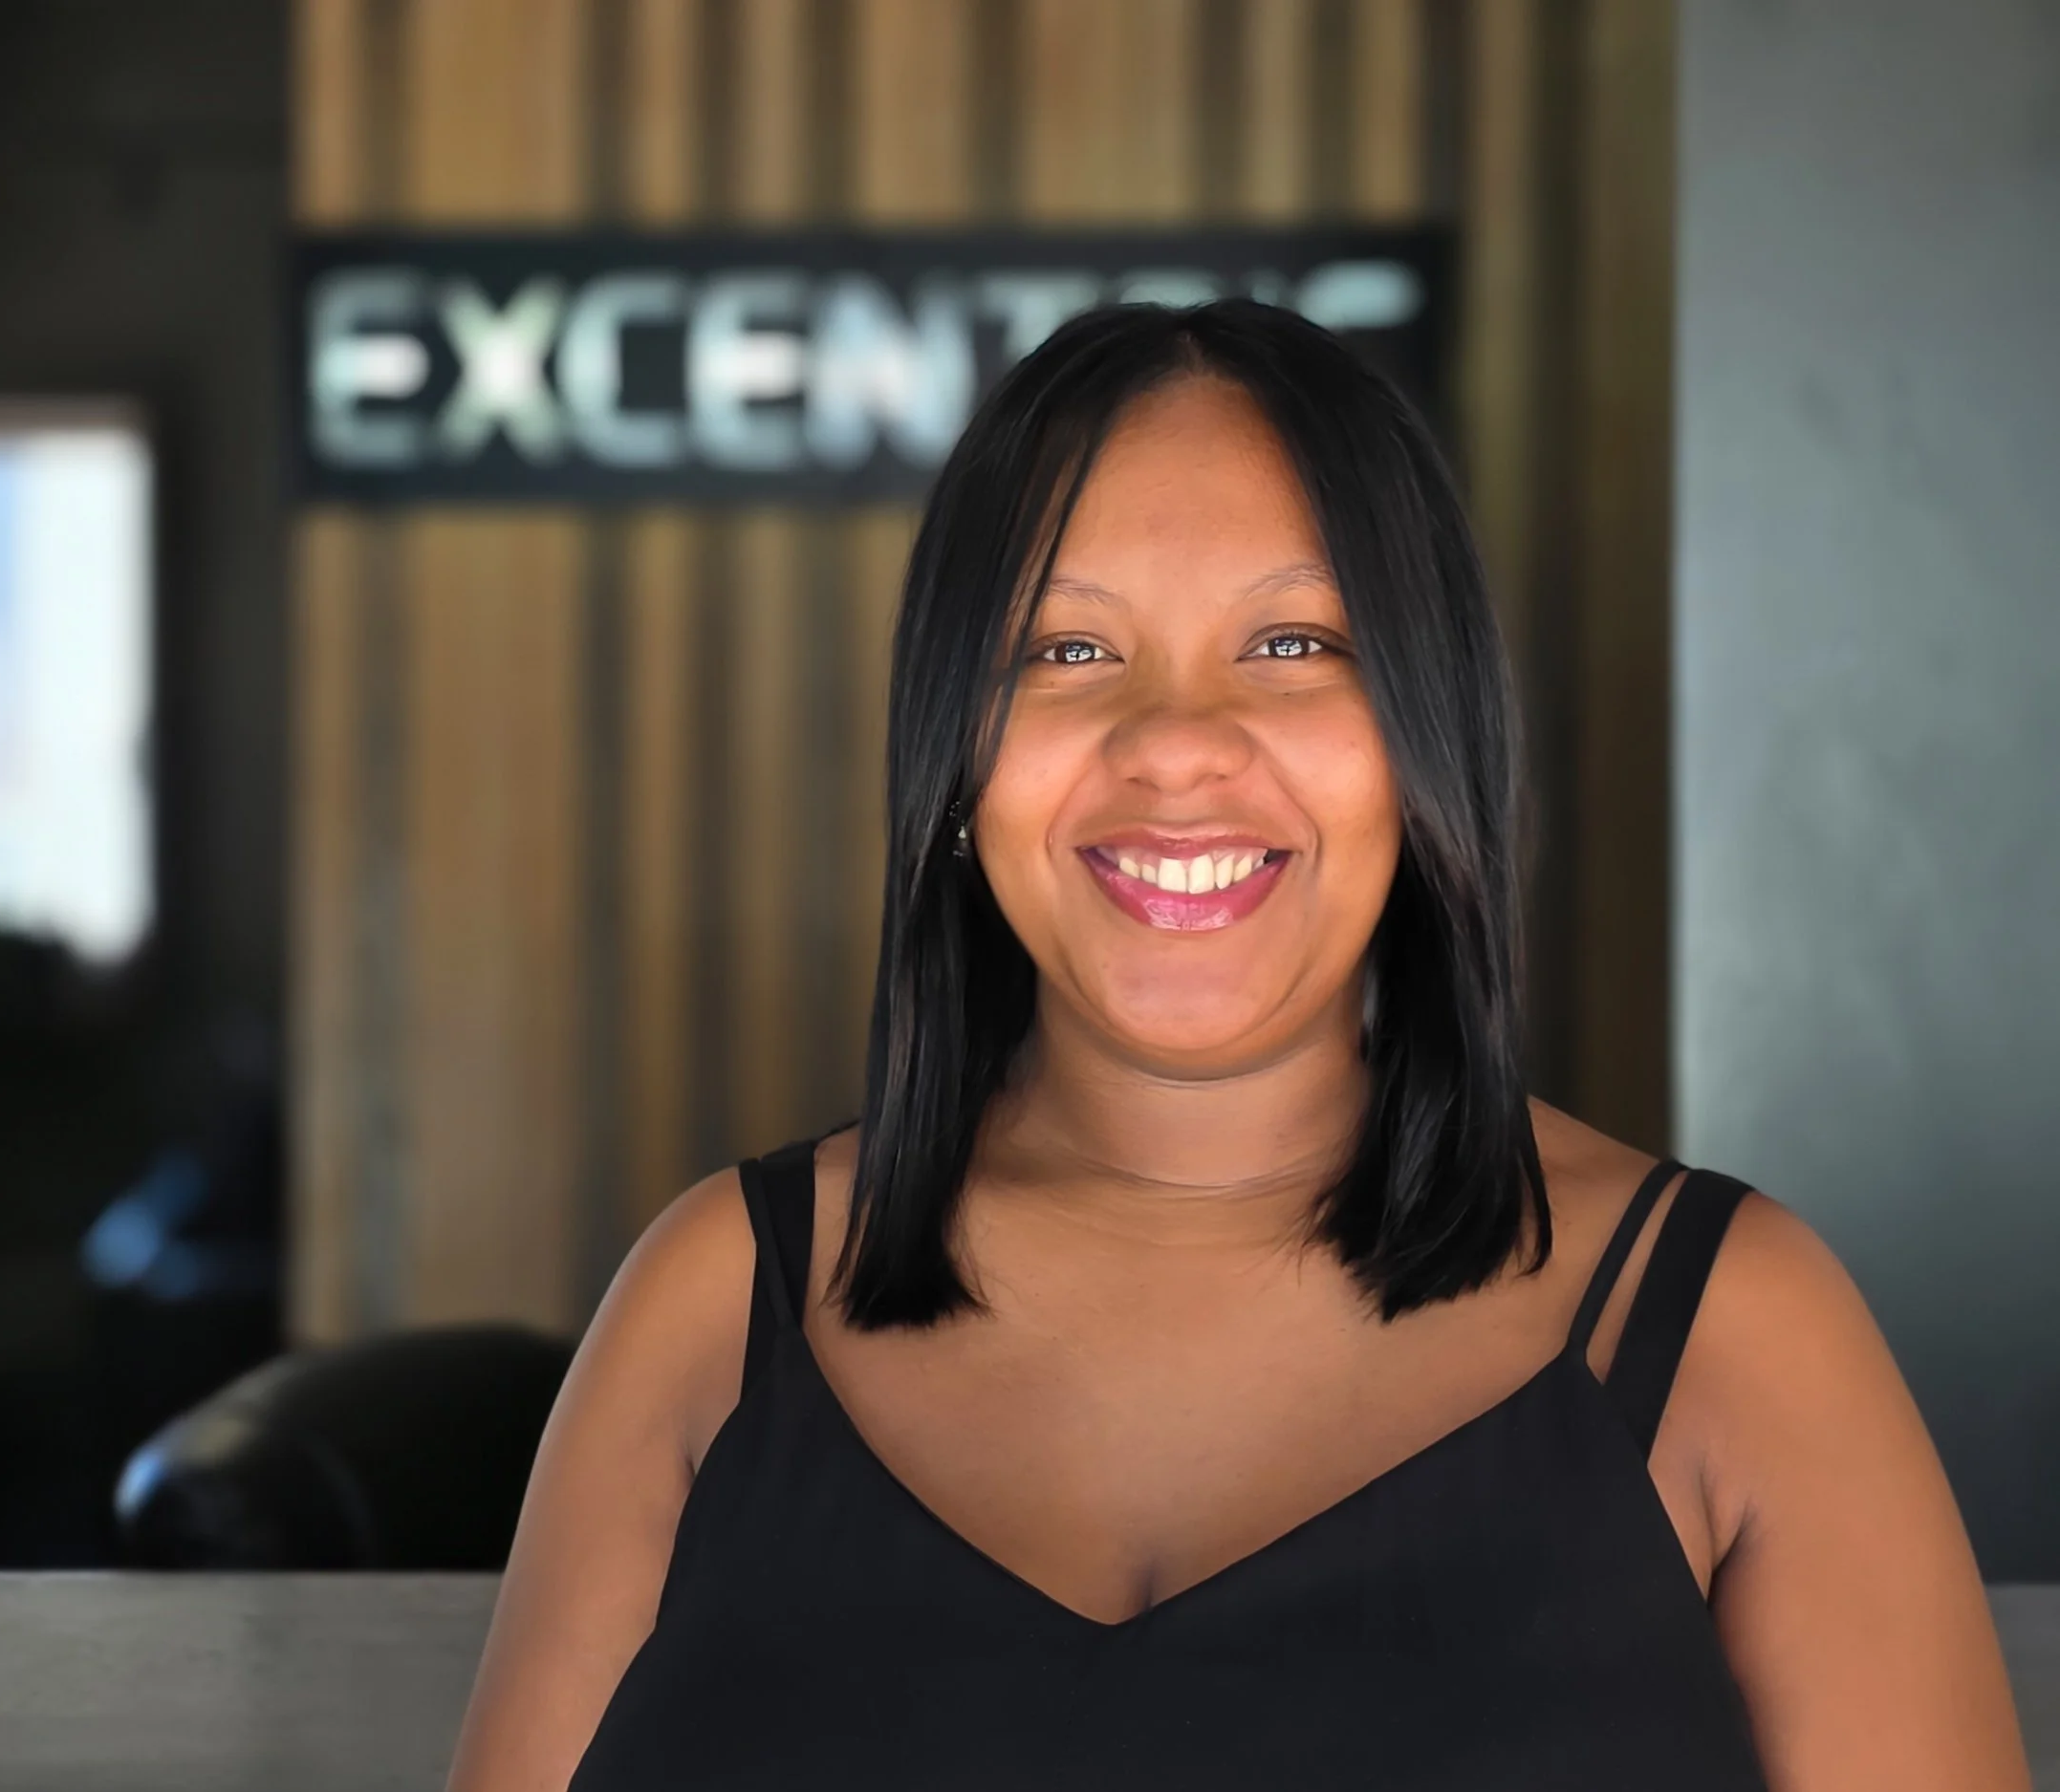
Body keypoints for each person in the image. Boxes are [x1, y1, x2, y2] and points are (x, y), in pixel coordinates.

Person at [447, 301, 2027, 1790]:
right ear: (951, 756)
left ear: (1427, 739)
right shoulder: (716, 1303)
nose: (1177, 742)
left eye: (1293, 645)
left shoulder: (1736, 1328)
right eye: (1067, 651)